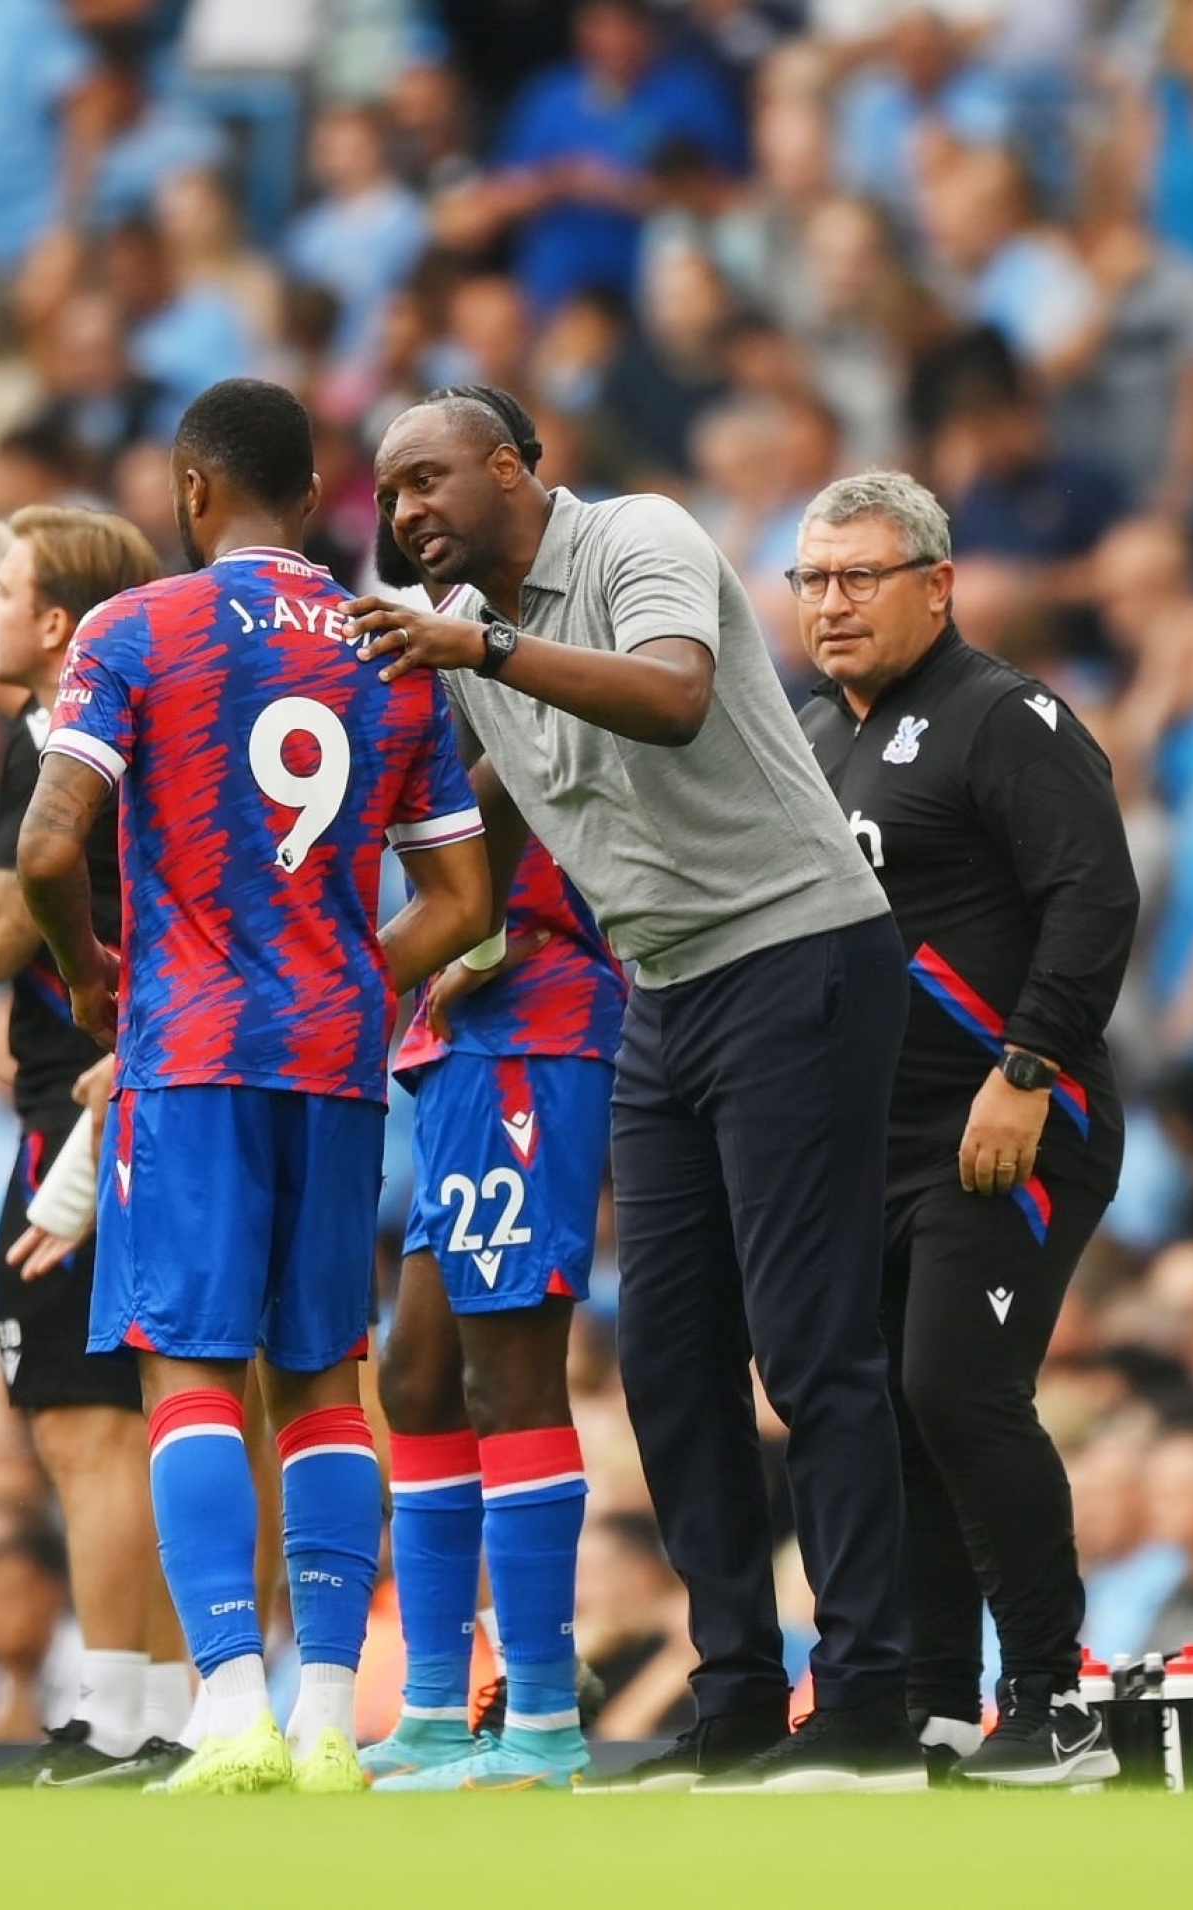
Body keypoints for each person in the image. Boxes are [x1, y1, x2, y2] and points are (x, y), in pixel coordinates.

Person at [354, 385, 916, 1793]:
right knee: (666, 1361)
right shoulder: (471, 637)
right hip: (661, 987)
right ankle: (731, 1696)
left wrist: (478, 645)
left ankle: (862, 1701)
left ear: (507, 464)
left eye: (427, 478)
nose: (405, 509)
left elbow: (668, 696)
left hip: (794, 947)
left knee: (808, 1349)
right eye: (387, 492)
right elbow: (476, 817)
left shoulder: (635, 539)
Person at [16, 378, 492, 1795]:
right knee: (325, 1381)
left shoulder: (135, 628)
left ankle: (225, 1707)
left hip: (196, 1046)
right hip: (335, 1058)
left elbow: (48, 850)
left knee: (188, 1372)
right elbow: (462, 895)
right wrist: (344, 969)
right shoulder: (388, 647)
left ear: (191, 486)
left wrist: (95, 974)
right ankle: (329, 1717)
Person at [793, 471, 1140, 1786]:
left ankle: (1053, 1701)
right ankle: (933, 1699)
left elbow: (1091, 895)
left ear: (935, 585)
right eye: (810, 580)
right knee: (884, 1410)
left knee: (953, 1385)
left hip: (1009, 1120)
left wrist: (1028, 1063)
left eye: (856, 577)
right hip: (866, 1142)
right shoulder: (806, 733)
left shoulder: (1003, 716)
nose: (829, 605)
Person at [0, 506, 193, 1785]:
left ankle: (130, 1706)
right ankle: (169, 1700)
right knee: (139, 1409)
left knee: (92, 1418)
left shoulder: (63, 738)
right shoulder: (89, 730)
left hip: (103, 1108)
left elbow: (1, 930)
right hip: (101, 1090)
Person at [365, 828, 625, 1793]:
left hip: (531, 1010)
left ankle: (544, 1721)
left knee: (507, 1371)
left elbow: (508, 774)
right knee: (418, 1381)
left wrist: (464, 936)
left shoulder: (483, 673)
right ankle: (433, 1709)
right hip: (461, 1033)